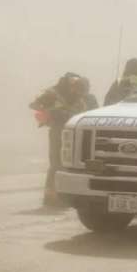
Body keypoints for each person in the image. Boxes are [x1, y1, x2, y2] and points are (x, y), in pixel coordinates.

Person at [30, 73, 88, 207]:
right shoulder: (53, 94)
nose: (78, 92)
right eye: (76, 89)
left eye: (80, 91)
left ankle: (61, 197)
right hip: (57, 132)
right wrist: (51, 113)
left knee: (66, 165)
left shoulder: (77, 98)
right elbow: (34, 105)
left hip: (71, 133)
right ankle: (51, 197)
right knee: (56, 164)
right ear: (69, 85)